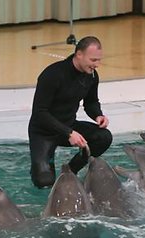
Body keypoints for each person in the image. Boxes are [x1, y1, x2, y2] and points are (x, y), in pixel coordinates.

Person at [28, 36, 113, 188]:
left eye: (99, 60)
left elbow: (91, 102)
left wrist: (98, 115)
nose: (97, 65)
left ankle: (69, 171)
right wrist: (68, 133)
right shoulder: (53, 74)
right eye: (93, 60)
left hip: (68, 127)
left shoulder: (91, 75)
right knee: (44, 182)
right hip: (43, 132)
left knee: (103, 137)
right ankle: (39, 167)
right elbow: (40, 113)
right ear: (79, 55)